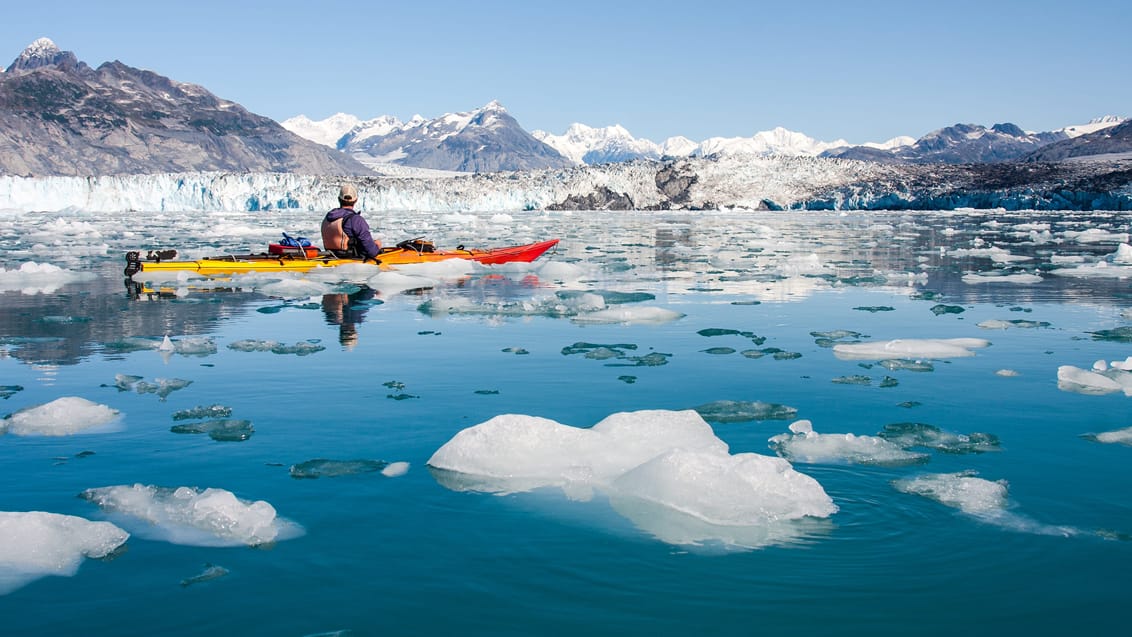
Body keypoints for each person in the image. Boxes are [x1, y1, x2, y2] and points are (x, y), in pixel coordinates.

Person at [321, 183, 382, 261]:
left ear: (339, 199)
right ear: (356, 200)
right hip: (351, 260)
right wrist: (377, 246)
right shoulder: (356, 220)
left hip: (331, 256)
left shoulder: (328, 217)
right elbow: (372, 252)